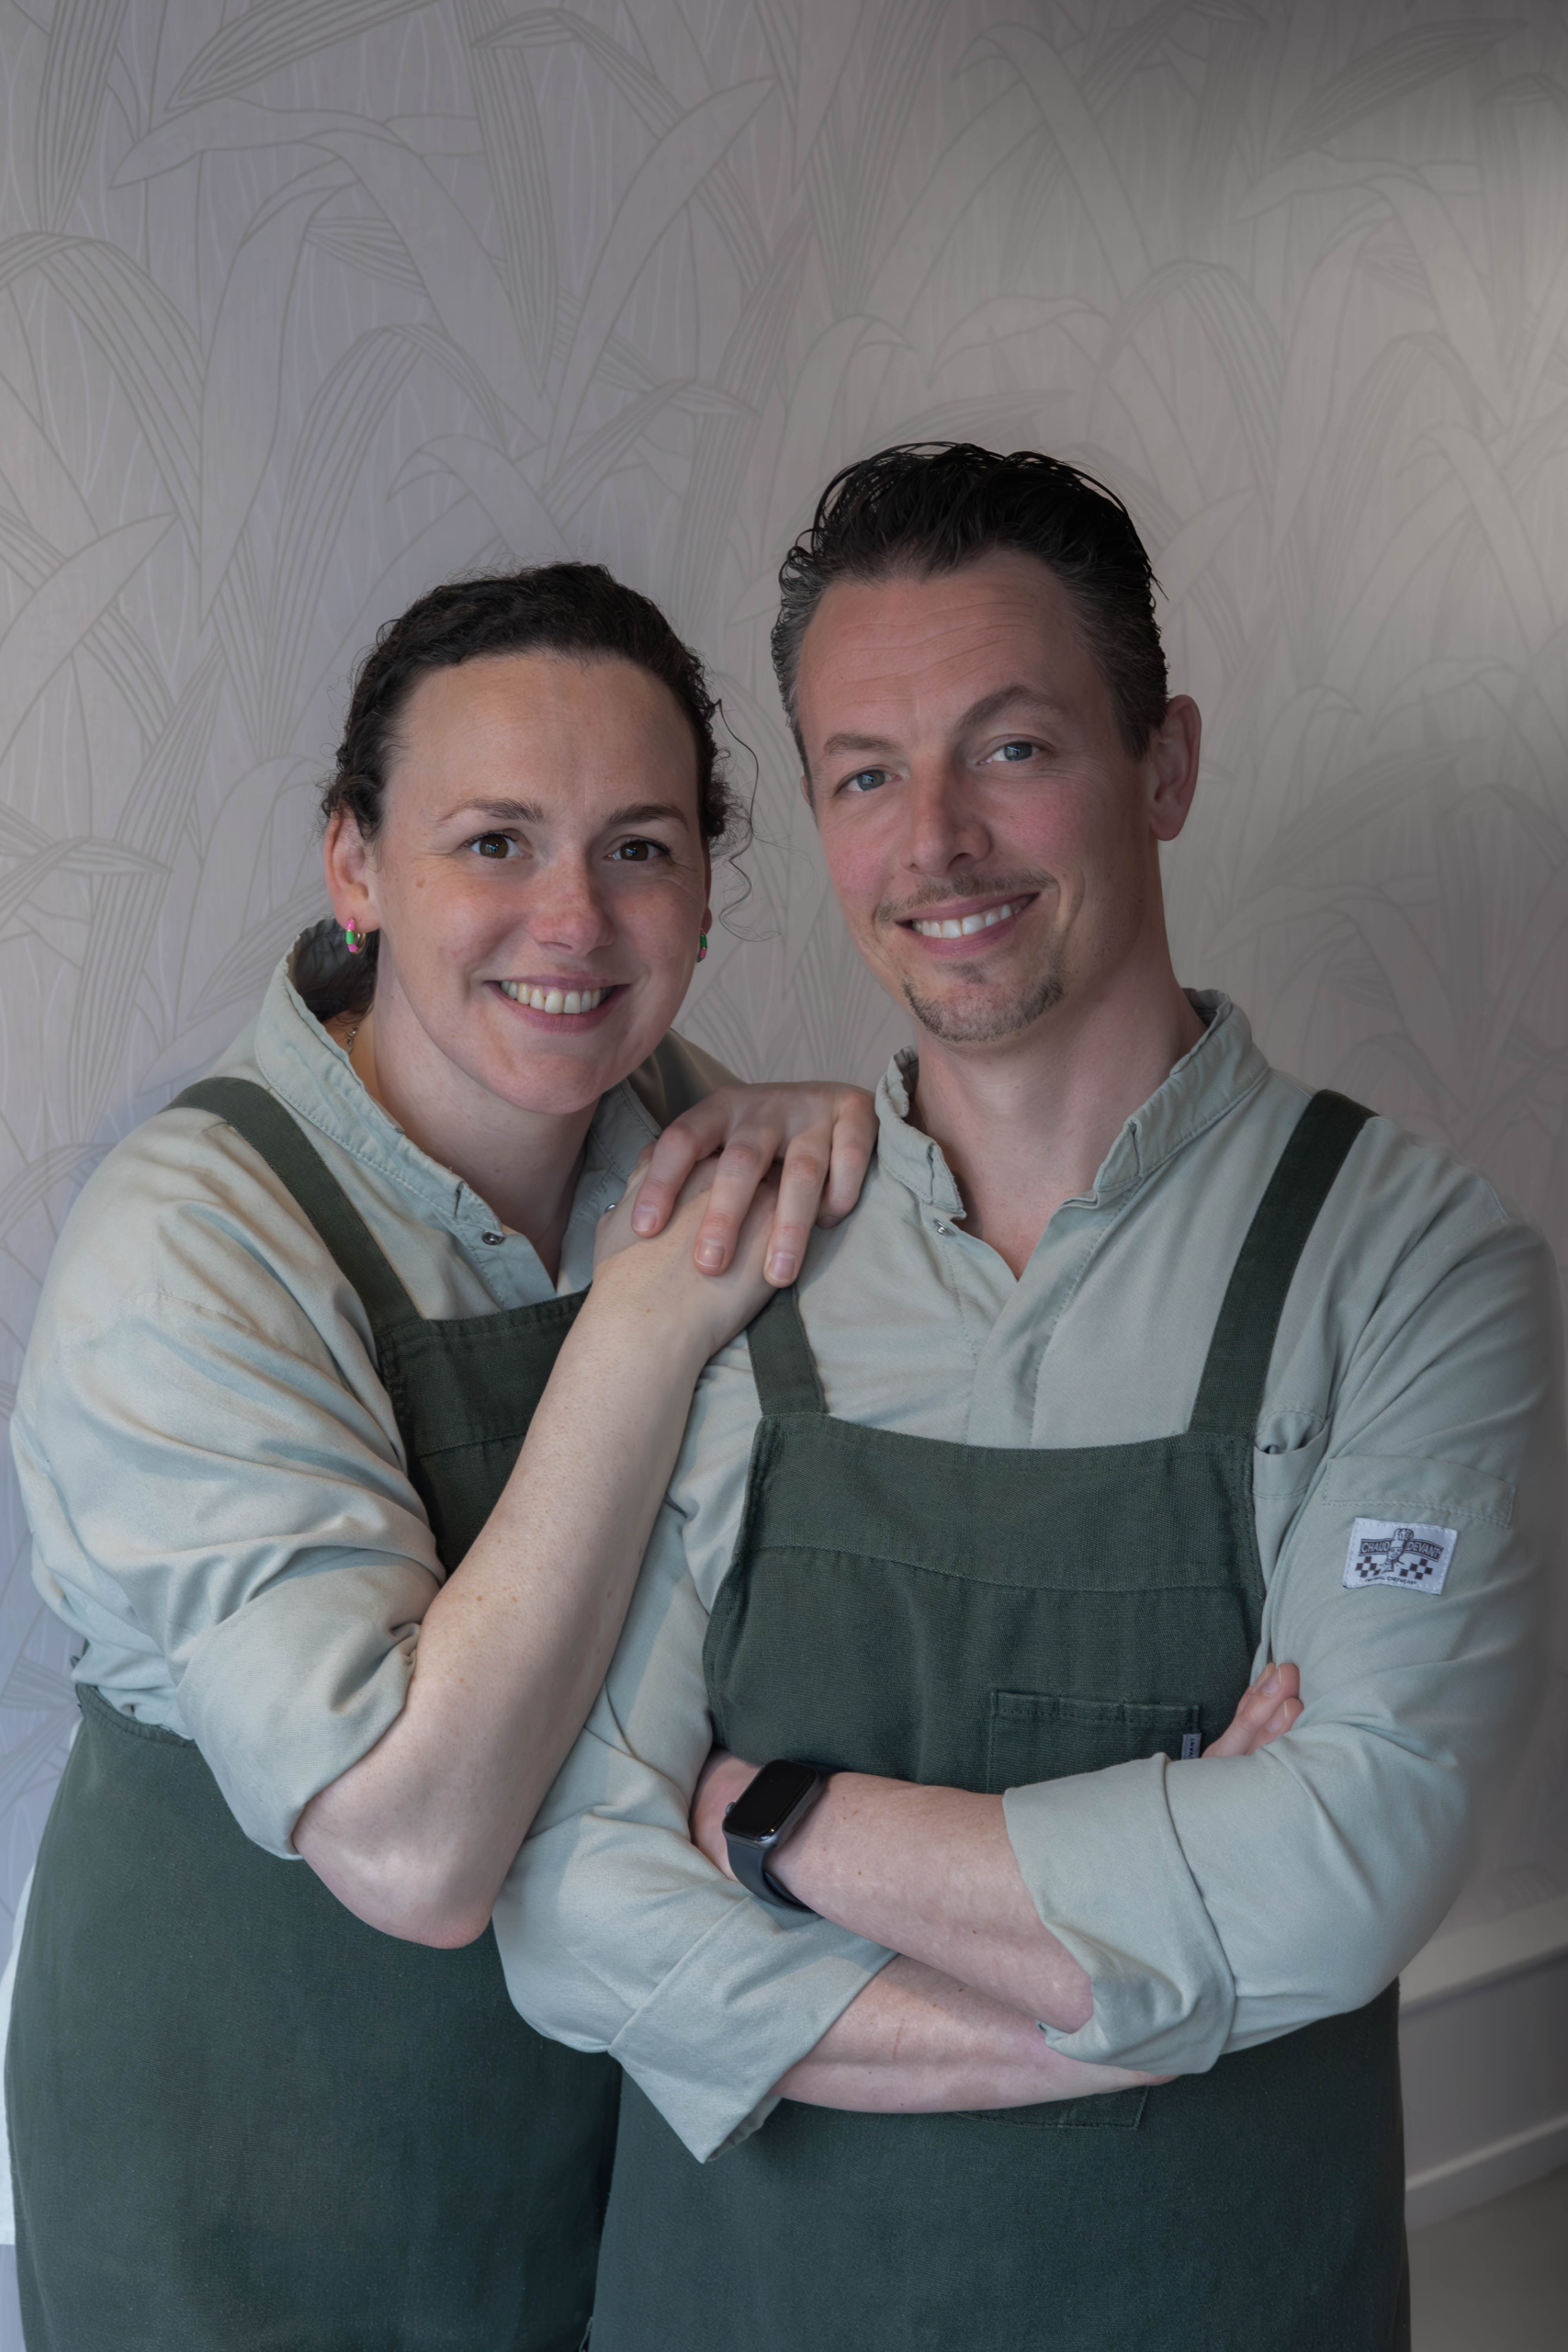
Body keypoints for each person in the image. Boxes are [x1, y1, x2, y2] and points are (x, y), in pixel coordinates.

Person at [496, 447, 1564, 2350]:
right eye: (863, 776)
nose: (936, 845)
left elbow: (1346, 1864)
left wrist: (782, 1821)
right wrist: (1137, 1980)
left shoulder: (1408, 1264)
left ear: (1163, 764)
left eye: (1010, 747)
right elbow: (573, 1892)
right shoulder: (725, 1249)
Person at [3, 562, 882, 2352]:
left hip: (581, 2131)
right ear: (355, 865)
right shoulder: (187, 1247)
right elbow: (410, 1850)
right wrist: (639, 1325)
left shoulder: (679, 1136)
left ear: (707, 889)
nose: (573, 919)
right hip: (242, 2176)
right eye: (493, 841)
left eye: (638, 848)